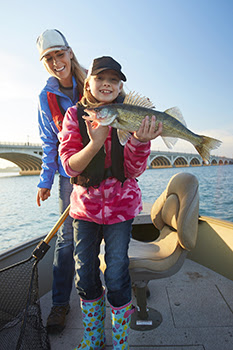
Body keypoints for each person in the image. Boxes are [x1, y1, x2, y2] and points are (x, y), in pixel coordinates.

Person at [58, 56, 162, 349]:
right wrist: (94, 142)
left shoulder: (131, 116)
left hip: (121, 210)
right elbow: (69, 167)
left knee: (116, 274)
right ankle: (92, 337)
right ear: (88, 81)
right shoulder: (74, 116)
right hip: (84, 211)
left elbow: (133, 170)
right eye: (101, 78)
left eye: (114, 80)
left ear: (119, 87)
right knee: (86, 273)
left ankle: (119, 341)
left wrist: (140, 141)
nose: (107, 84)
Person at [36, 29, 86, 333]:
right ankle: (59, 304)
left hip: (104, 173)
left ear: (69, 52)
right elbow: (48, 143)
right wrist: (45, 180)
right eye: (49, 58)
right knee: (67, 240)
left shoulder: (92, 84)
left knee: (110, 230)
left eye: (59, 54)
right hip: (69, 177)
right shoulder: (45, 97)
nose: (56, 62)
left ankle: (122, 289)